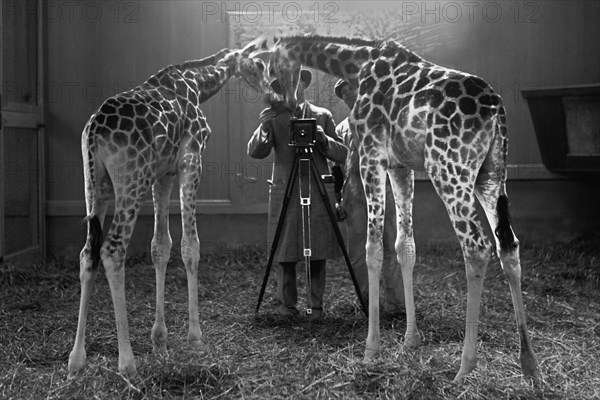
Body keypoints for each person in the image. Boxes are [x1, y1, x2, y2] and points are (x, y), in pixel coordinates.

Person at [248, 70, 348, 319]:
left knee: (318, 248)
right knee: (285, 248)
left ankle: (316, 307)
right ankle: (286, 307)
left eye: (296, 81)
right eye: (285, 83)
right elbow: (255, 152)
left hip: (316, 187)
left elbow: (342, 154)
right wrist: (264, 127)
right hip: (286, 188)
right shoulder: (273, 116)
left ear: (304, 83)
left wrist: (322, 138)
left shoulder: (322, 115)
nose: (292, 85)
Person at [333, 79, 405, 313]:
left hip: (384, 188)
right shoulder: (342, 127)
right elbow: (337, 165)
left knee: (390, 244)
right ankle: (366, 303)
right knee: (357, 249)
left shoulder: (383, 119)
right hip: (354, 193)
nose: (349, 94)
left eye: (351, 88)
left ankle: (396, 304)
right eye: (343, 93)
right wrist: (338, 195)